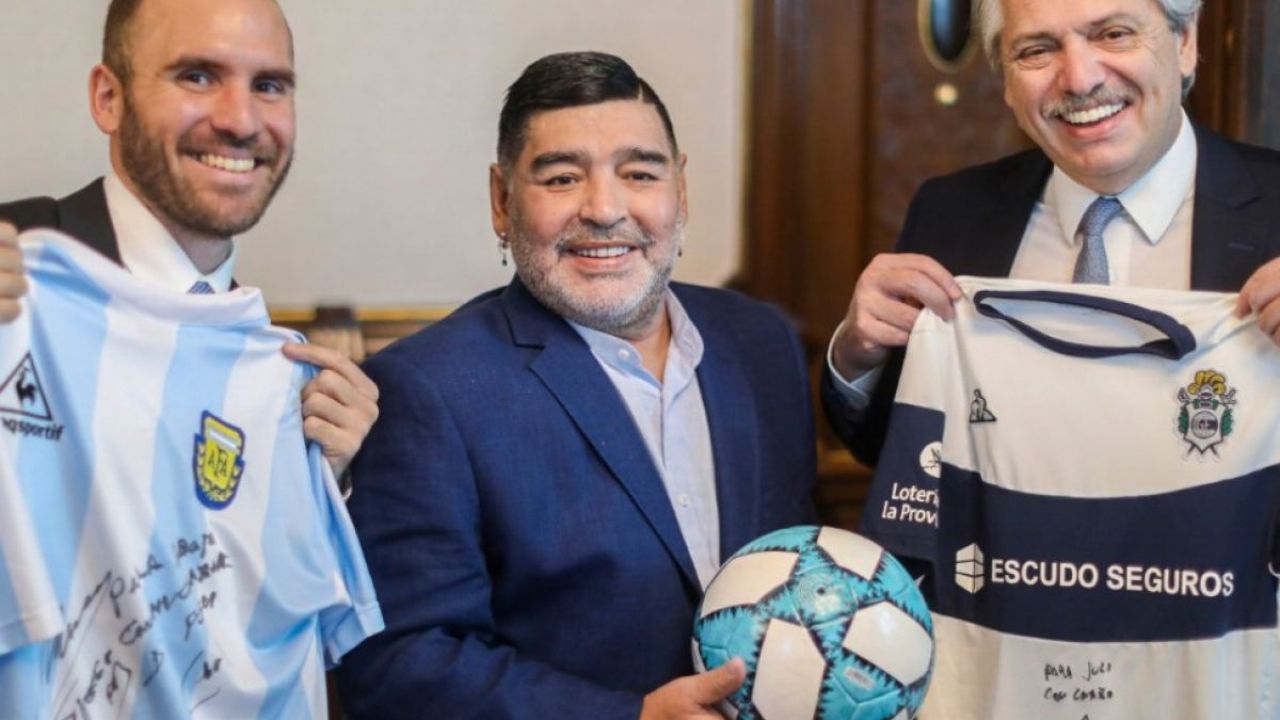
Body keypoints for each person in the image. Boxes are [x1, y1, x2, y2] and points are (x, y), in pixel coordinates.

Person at [336, 51, 817, 719]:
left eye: (639, 173)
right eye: (562, 178)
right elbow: (400, 666)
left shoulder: (762, 343)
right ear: (502, 201)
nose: (605, 209)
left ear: (680, 191)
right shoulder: (427, 389)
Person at [822, 0, 1280, 467]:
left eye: (1113, 34)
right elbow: (898, 456)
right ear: (1006, 80)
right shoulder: (950, 212)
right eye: (1037, 50)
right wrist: (859, 357)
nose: (1079, 80)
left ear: (1184, 41)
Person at [0, 0, 378, 478]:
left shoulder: (280, 375)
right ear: (109, 99)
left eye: (267, 86)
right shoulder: (15, 262)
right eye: (197, 77)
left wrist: (319, 479)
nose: (241, 121)